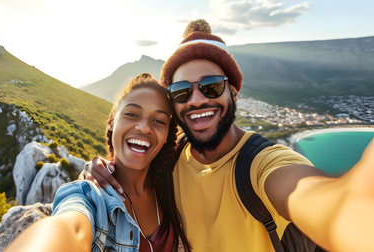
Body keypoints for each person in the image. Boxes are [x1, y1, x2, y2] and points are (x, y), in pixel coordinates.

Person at [82, 19, 374, 251]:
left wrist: (348, 206)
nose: (196, 100)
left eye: (211, 86)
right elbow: (133, 168)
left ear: (233, 91)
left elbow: (313, 197)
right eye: (182, 91)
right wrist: (101, 169)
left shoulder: (261, 165)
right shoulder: (170, 160)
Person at [5, 73, 191, 252]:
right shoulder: (90, 196)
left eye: (159, 120)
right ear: (112, 121)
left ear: (167, 135)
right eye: (132, 114)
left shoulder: (174, 185)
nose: (144, 127)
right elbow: (71, 229)